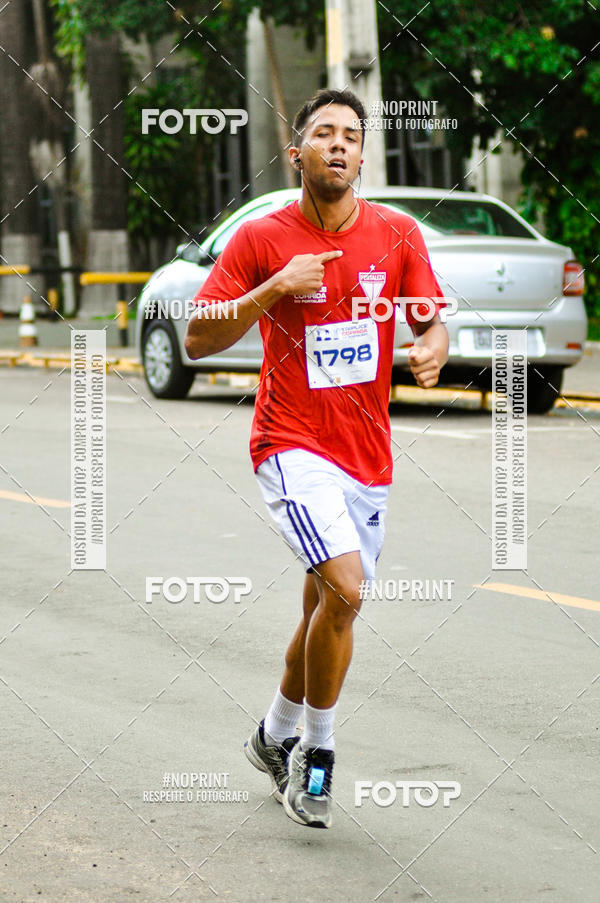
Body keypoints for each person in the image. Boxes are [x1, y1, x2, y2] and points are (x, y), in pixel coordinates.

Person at [184, 88, 449, 829]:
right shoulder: (262, 240)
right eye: (323, 133)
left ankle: (271, 734)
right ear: (296, 152)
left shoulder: (397, 234)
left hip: (367, 455)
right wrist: (273, 288)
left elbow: (429, 321)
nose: (339, 144)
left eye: (351, 135)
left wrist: (431, 347)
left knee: (326, 605)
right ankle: (316, 751)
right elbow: (198, 339)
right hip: (290, 444)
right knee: (347, 590)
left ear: (364, 155)